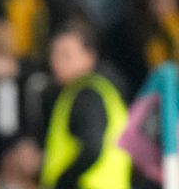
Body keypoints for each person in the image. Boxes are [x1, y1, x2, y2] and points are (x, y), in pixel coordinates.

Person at [39, 20, 131, 189]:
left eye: (66, 55)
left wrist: (63, 181)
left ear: (89, 57)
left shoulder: (86, 95)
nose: (56, 62)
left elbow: (92, 146)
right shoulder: (105, 90)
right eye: (53, 54)